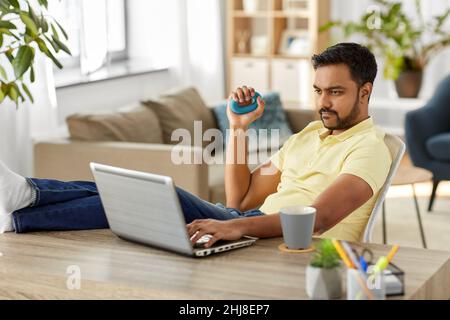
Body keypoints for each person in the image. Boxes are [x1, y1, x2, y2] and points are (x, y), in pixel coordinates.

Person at [0, 43, 391, 247]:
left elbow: (316, 221)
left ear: (365, 92)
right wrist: (238, 128)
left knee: (157, 199)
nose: (323, 102)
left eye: (335, 92)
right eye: (319, 90)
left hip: (286, 246)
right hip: (251, 225)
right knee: (135, 194)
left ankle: (28, 201)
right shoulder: (307, 136)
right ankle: (24, 207)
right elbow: (242, 197)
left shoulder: (370, 149)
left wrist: (236, 228)